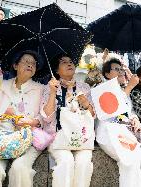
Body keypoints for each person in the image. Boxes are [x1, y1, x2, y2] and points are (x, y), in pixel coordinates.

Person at [0, 50, 45, 187]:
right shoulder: (1, 86)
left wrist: (32, 121)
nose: (30, 65)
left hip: (27, 139)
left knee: (20, 169)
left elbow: (45, 118)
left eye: (33, 63)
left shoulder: (41, 89)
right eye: (26, 61)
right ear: (15, 65)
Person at [96, 58, 141, 187]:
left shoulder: (123, 89)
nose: (121, 72)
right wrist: (129, 87)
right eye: (116, 69)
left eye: (121, 69)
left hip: (125, 134)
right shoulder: (101, 88)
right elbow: (111, 111)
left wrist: (134, 118)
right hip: (109, 133)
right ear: (107, 74)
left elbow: (129, 111)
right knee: (130, 160)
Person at [41, 53, 95, 187]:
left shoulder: (85, 88)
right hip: (57, 136)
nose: (69, 64)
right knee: (66, 161)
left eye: (71, 61)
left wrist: (86, 104)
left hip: (82, 138)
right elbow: (47, 118)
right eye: (63, 62)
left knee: (84, 163)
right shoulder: (49, 87)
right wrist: (53, 93)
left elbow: (93, 116)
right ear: (56, 70)